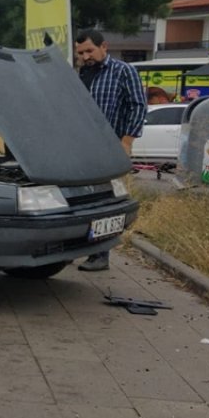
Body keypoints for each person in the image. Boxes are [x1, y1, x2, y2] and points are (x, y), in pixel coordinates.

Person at [73, 29, 147, 272]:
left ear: (104, 46)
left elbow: (138, 106)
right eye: (81, 52)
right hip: (79, 146)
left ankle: (100, 254)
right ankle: (75, 247)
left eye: (89, 51)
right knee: (77, 199)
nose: (85, 56)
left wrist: (126, 142)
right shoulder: (80, 72)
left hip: (108, 148)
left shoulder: (123, 71)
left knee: (102, 202)